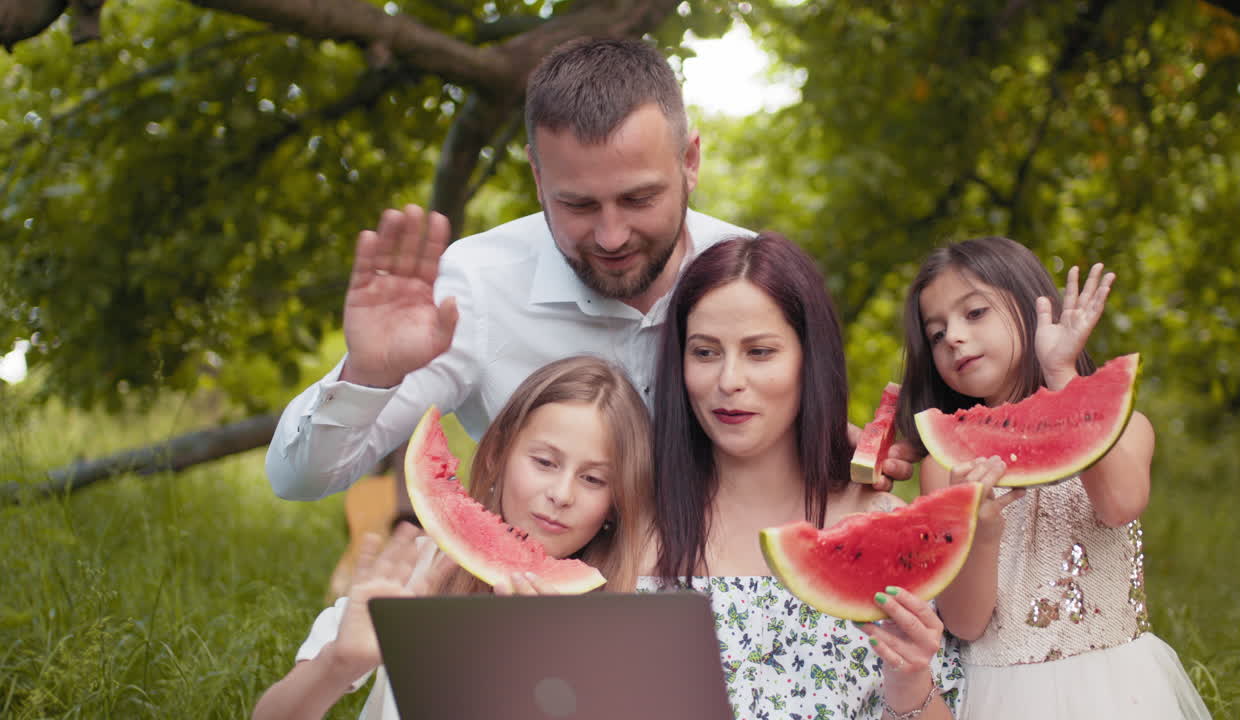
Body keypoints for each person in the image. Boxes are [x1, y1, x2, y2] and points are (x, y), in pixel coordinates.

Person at [265, 36, 914, 504]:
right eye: (577, 205)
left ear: (690, 161)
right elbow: (299, 481)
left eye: (639, 199)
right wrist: (369, 375)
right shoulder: (479, 286)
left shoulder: (750, 276)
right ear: (537, 176)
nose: (610, 236)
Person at [640, 232, 964, 720]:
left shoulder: (889, 529)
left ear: (810, 360)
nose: (729, 381)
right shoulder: (630, 528)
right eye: (705, 352)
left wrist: (909, 680)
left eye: (759, 352)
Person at [895, 236, 1210, 719]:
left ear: (1029, 307)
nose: (953, 336)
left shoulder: (1125, 427)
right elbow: (965, 623)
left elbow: (1120, 503)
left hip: (1116, 688)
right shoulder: (946, 466)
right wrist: (980, 534)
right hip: (1001, 694)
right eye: (936, 334)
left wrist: (1062, 375)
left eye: (974, 313)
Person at [253, 355, 654, 720]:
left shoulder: (631, 629)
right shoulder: (414, 572)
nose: (562, 494)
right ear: (497, 456)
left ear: (617, 501)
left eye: (593, 479)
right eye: (545, 462)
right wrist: (337, 664)